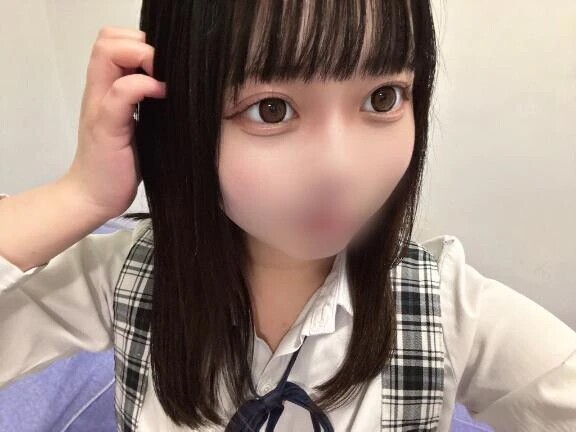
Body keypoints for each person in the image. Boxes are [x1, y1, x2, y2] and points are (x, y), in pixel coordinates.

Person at [1, 1, 575, 431]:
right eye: (271, 109)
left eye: (382, 98)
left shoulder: (448, 311)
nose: (340, 169)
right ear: (179, 118)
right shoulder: (125, 278)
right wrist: (80, 196)